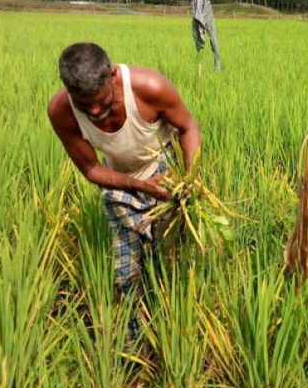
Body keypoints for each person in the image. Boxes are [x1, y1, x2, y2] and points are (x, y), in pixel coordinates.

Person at [47, 42, 200, 339]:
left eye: (102, 103)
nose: (95, 112)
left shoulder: (150, 87)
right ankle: (135, 341)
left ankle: (175, 332)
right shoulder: (61, 111)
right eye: (84, 105)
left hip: (164, 172)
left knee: (169, 262)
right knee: (126, 273)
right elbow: (91, 168)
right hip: (119, 178)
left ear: (113, 76)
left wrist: (190, 179)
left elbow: (188, 127)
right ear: (67, 89)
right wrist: (137, 185)